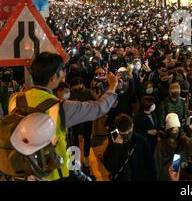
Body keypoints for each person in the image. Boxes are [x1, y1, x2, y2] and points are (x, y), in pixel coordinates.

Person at [8, 52, 119, 181]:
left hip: (21, 171)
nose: (62, 74)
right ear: (53, 77)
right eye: (60, 71)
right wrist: (112, 87)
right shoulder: (60, 107)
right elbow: (98, 108)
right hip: (51, 173)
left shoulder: (14, 99)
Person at [103, 114, 155, 181]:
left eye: (129, 132)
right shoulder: (114, 141)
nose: (127, 136)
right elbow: (110, 167)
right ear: (117, 130)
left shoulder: (141, 141)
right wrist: (117, 147)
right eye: (124, 134)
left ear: (133, 125)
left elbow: (149, 163)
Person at [154, 113, 192, 181]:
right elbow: (157, 166)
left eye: (177, 129)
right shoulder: (161, 145)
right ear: (168, 130)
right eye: (173, 130)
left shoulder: (183, 140)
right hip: (167, 176)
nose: (175, 131)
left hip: (182, 175)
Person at [69, 77, 97, 175]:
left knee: (87, 138)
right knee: (74, 140)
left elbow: (95, 102)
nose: (77, 87)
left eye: (79, 85)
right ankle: (76, 160)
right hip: (74, 121)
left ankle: (85, 157)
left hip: (86, 120)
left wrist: (88, 103)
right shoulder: (70, 94)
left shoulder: (88, 92)